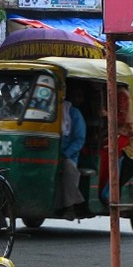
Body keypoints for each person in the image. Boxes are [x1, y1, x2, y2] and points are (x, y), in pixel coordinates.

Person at [98, 84, 133, 202]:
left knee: (107, 157)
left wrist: (106, 114)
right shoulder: (113, 94)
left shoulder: (121, 95)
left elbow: (121, 118)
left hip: (121, 135)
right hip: (113, 133)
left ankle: (108, 194)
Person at [56, 85, 87, 220]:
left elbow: (79, 140)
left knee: (68, 170)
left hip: (68, 156)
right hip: (49, 154)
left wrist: (65, 154)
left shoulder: (74, 114)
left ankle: (70, 207)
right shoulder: (50, 112)